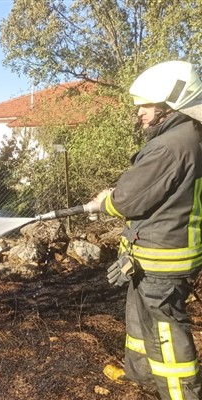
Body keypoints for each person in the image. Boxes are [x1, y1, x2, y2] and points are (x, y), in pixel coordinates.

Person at [93, 60, 202, 399]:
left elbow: (128, 201)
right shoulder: (189, 137)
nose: (139, 112)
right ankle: (141, 377)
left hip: (163, 258)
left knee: (166, 333)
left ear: (171, 105)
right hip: (155, 253)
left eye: (146, 105)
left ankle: (181, 394)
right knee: (140, 322)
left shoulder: (170, 145)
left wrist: (106, 202)